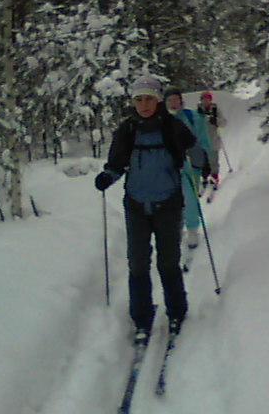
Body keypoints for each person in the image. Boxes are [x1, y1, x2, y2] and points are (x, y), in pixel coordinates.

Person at [94, 75, 196, 344]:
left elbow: (190, 143)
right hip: (136, 205)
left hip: (168, 204)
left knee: (168, 262)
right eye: (138, 99)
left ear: (158, 100)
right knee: (137, 263)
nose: (144, 104)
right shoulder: (127, 129)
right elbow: (116, 163)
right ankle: (141, 318)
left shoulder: (172, 126)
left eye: (149, 99)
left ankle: (177, 313)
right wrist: (107, 177)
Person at [164, 87, 212, 249]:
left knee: (190, 197)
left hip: (190, 164)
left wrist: (205, 160)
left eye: (176, 99)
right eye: (169, 100)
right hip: (168, 166)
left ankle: (192, 229)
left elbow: (203, 139)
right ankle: (176, 226)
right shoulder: (160, 120)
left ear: (181, 101)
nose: (173, 103)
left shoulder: (192, 117)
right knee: (170, 199)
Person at [197, 91, 228, 189]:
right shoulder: (198, 111)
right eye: (204, 99)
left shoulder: (215, 110)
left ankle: (214, 177)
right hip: (201, 140)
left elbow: (224, 123)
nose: (206, 102)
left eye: (208, 99)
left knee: (213, 161)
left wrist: (215, 121)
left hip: (213, 139)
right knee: (203, 161)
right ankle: (204, 177)